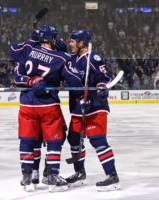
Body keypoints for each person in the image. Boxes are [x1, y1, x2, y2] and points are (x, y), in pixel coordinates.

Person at [10, 25, 72, 192]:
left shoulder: (27, 49)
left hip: (27, 105)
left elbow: (17, 78)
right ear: (52, 39)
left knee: (28, 141)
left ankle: (27, 176)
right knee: (54, 141)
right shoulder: (61, 57)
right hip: (48, 105)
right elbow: (72, 78)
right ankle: (52, 175)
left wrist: (31, 81)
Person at [63, 30, 121, 191]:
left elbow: (104, 77)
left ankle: (112, 176)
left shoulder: (93, 58)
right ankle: (80, 173)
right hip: (77, 107)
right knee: (74, 139)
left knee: (98, 141)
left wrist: (102, 87)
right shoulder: (72, 59)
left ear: (82, 43)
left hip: (95, 106)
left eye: (73, 41)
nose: (71, 43)